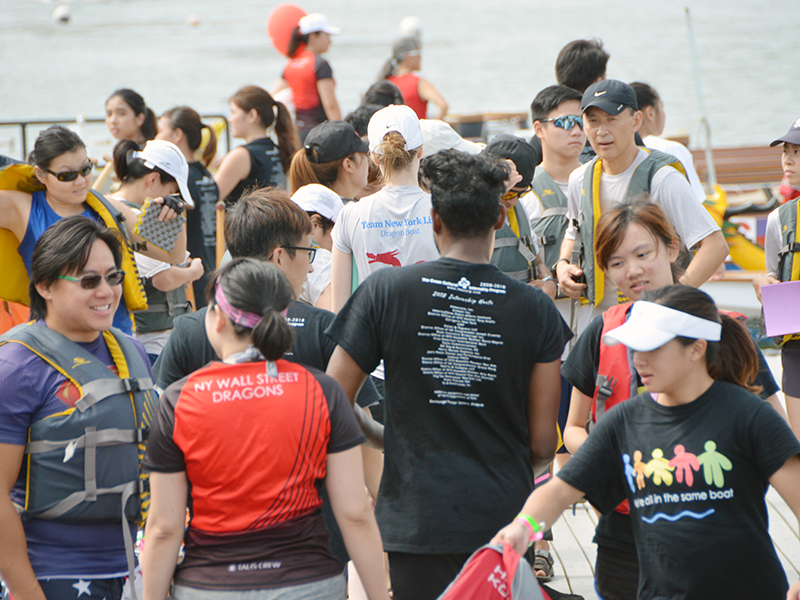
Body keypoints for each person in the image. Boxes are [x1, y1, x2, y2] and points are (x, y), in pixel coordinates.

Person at [325, 150, 572, 600]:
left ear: (433, 220)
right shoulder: (533, 307)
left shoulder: (386, 291)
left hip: (415, 517)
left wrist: (377, 433)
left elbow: (332, 397)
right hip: (503, 518)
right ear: (500, 217)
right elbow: (542, 444)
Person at [493, 284, 800, 600]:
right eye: (634, 348)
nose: (639, 360)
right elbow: (560, 491)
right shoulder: (625, 421)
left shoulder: (749, 416)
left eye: (652, 348)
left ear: (696, 348)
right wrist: (522, 528)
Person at [561, 200, 783, 600]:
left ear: (672, 248)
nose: (631, 271)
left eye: (642, 254)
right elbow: (574, 429)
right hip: (624, 536)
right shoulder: (602, 333)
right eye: (615, 263)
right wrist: (621, 458)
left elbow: (775, 436)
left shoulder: (723, 330)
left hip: (720, 532)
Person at [150, 189, 382, 570]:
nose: (310, 267)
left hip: (215, 553)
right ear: (279, 255)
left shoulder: (190, 330)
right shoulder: (325, 329)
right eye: (308, 253)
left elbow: (158, 439)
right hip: (315, 554)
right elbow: (366, 441)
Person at [0, 216, 157, 600]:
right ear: (45, 286)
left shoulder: (132, 350)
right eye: (89, 281)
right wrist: (28, 593)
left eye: (113, 277)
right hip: (53, 574)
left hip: (133, 572)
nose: (106, 291)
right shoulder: (15, 367)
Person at [554, 79, 728, 332]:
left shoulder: (663, 178)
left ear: (636, 121)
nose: (601, 131)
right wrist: (561, 265)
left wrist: (673, 298)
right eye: (593, 121)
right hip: (601, 320)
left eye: (612, 119)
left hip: (658, 318)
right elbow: (574, 231)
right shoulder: (579, 178)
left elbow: (715, 245)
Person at [0, 125, 187, 335]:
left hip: (114, 337)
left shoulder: (109, 208)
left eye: (86, 169)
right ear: (41, 175)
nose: (80, 181)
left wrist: (175, 214)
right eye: (66, 175)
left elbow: (173, 254)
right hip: (56, 342)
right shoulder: (21, 209)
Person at [331, 104, 438, 311]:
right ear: (421, 151)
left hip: (374, 338)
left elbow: (340, 313)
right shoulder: (444, 210)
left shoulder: (351, 215)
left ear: (374, 157)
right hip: (431, 337)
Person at [109, 139, 203, 363]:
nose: (172, 203)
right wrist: (193, 272)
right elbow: (164, 279)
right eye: (172, 193)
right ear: (152, 179)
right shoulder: (131, 218)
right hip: (151, 341)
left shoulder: (118, 209)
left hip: (152, 337)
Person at [754, 118, 800, 442]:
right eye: (786, 151)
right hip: (796, 346)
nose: (788, 159)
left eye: (798, 151)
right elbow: (773, 273)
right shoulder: (779, 219)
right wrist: (761, 285)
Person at [156, 105, 219, 306]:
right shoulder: (205, 175)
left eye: (160, 131)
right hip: (209, 268)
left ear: (177, 135)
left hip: (191, 274)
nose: (156, 137)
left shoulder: (181, 180)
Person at [214, 85, 299, 205]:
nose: (229, 119)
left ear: (252, 115)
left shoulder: (241, 155)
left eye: (233, 112)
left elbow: (209, 198)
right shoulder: (276, 149)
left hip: (248, 223)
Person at [630, 82, 706, 203]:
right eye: (662, 107)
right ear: (650, 113)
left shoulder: (623, 152)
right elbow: (696, 204)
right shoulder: (673, 150)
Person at [274, 13, 342, 140]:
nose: (330, 41)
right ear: (313, 37)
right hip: (320, 131)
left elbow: (274, 94)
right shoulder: (320, 64)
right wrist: (342, 131)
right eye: (327, 35)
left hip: (298, 133)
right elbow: (330, 105)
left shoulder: (290, 63)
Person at [291, 183, 344, 310]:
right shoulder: (321, 259)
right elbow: (334, 319)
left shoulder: (275, 250)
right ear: (314, 224)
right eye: (337, 231)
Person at [288, 120, 370, 201]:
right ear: (348, 165)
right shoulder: (353, 212)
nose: (367, 162)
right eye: (363, 156)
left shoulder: (308, 209)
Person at [379, 36, 448, 120]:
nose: (420, 58)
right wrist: (430, 128)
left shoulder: (385, 82)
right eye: (418, 54)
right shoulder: (419, 82)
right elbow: (443, 106)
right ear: (408, 57)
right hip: (416, 131)